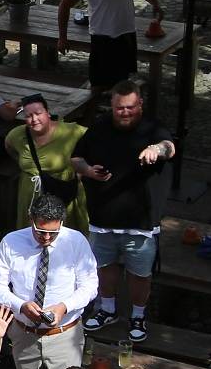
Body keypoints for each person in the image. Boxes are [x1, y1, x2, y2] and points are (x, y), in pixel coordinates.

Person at [0, 193, 97, 369]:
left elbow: (90, 285)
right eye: (41, 232)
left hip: (64, 334)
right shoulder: (12, 241)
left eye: (53, 232)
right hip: (25, 332)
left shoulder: (75, 242)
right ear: (31, 220)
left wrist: (63, 306)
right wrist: (20, 304)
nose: (47, 238)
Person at [73, 81, 174, 340]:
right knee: (104, 267)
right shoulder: (100, 127)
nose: (125, 113)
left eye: (130, 107)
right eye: (120, 108)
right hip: (102, 217)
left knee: (140, 273)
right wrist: (86, 170)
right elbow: (76, 158)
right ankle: (107, 309)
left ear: (140, 104)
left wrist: (156, 149)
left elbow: (169, 147)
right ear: (113, 106)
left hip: (140, 221)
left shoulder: (153, 128)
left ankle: (138, 316)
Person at [57, 0, 163, 95]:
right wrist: (62, 37)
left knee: (123, 81)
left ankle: (117, 111)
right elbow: (64, 5)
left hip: (127, 32)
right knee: (98, 84)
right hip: (102, 36)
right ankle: (91, 114)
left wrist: (156, 4)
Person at [6, 93, 87, 232]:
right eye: (28, 116)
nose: (34, 119)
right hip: (30, 195)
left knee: (62, 237)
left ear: (48, 113)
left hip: (61, 193)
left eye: (38, 113)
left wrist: (84, 170)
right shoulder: (17, 135)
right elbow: (10, 148)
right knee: (31, 237)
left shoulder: (70, 131)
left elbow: (96, 139)